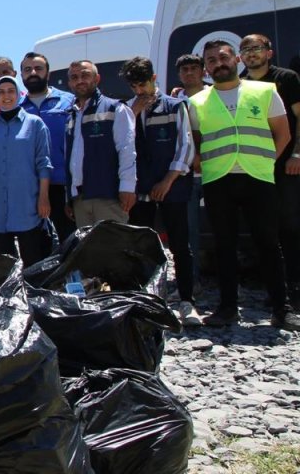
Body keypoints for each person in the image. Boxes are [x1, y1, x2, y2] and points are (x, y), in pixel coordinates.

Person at [190, 39, 298, 329]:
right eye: (211, 60)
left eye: (223, 57)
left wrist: (265, 162)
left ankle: (281, 309)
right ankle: (227, 309)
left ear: (236, 59)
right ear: (206, 67)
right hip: (218, 180)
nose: (218, 63)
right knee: (224, 246)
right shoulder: (197, 101)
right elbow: (196, 146)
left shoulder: (265, 91)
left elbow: (283, 134)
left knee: (268, 244)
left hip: (258, 178)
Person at [120, 57, 199, 325]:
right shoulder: (128, 109)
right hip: (141, 189)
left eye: (142, 84)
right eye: (134, 86)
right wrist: (135, 115)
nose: (139, 91)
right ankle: (148, 300)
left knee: (179, 244)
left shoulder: (176, 106)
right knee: (142, 246)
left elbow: (185, 146)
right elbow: (124, 147)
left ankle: (187, 301)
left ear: (154, 79)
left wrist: (168, 180)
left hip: (172, 187)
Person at [240, 34, 300, 310]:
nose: (251, 54)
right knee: (265, 229)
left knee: (289, 226)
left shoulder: (286, 79)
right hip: (254, 168)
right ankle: (276, 289)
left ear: (269, 53)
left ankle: (295, 287)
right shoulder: (239, 82)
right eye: (246, 50)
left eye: (256, 49)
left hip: (286, 164)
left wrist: (297, 154)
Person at [0, 76, 54, 264]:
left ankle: (33, 294)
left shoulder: (35, 124)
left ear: (18, 94)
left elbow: (44, 163)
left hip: (27, 204)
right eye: (1, 92)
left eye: (11, 91)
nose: (6, 96)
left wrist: (44, 197)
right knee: (5, 265)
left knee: (33, 261)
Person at [65, 60, 137, 228]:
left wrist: (128, 187)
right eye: (74, 77)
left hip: (108, 197)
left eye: (85, 75)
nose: (80, 80)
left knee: (113, 251)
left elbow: (127, 149)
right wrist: (69, 196)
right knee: (89, 253)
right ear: (69, 83)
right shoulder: (71, 116)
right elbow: (71, 159)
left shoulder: (115, 108)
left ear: (97, 79)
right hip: (80, 200)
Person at [19, 52, 77, 242]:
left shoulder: (69, 102)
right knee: (37, 247)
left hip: (64, 186)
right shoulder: (17, 108)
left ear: (48, 73)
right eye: (27, 69)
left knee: (71, 244)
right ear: (21, 75)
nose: (33, 72)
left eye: (38, 68)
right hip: (30, 188)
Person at [174, 53, 208, 281]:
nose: (189, 73)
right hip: (188, 176)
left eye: (194, 68)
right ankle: (192, 280)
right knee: (190, 231)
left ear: (203, 71)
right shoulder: (175, 99)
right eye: (184, 70)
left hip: (216, 169)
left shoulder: (214, 95)